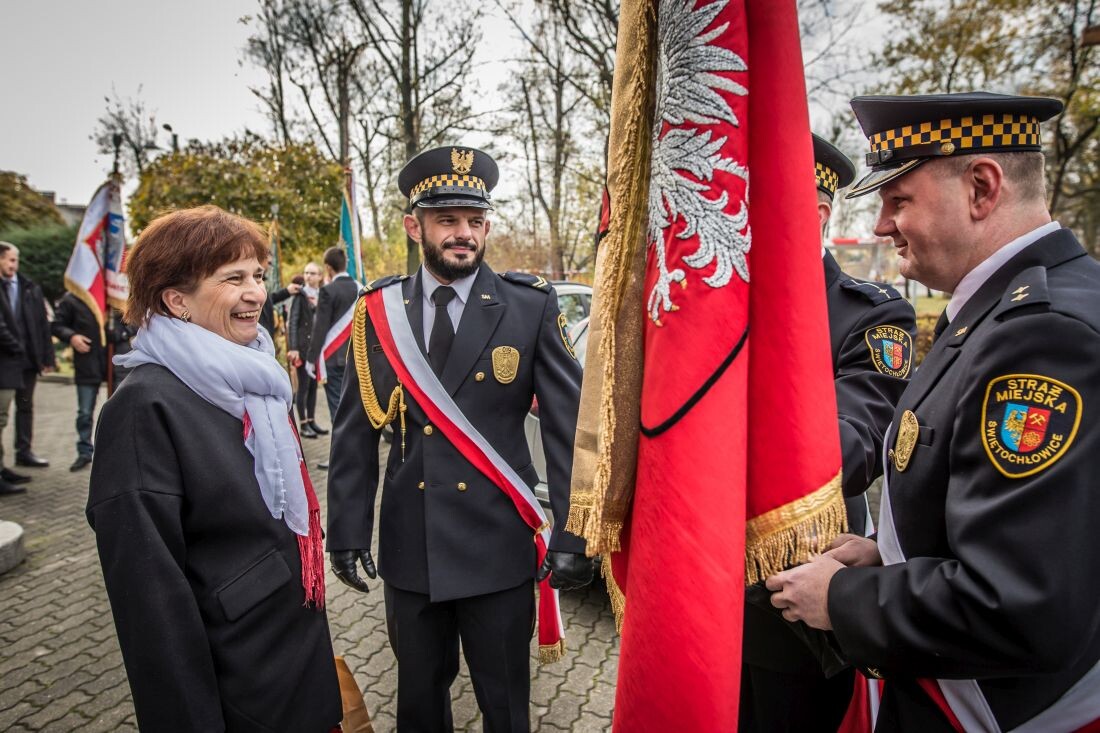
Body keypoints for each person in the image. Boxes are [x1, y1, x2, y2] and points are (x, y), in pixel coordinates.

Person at [766, 92, 1100, 731]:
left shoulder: (1044, 336)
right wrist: (890, 555)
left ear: (981, 187)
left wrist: (842, 598)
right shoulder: (996, 310)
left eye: (898, 201)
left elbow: (1017, 604)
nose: (882, 226)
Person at [326, 145, 594, 731]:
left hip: (497, 546)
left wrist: (574, 533)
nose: (463, 234)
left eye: (474, 221)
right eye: (447, 220)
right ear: (413, 225)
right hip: (411, 542)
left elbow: (568, 429)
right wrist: (345, 531)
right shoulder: (379, 312)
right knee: (419, 701)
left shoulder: (529, 307)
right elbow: (353, 431)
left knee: (504, 701)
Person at [86, 205, 341, 731]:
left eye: (258, 276)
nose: (256, 293)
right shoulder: (142, 409)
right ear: (176, 300)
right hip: (237, 678)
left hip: (288, 649)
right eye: (233, 279)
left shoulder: (253, 380)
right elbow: (151, 607)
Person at [740, 135, 917, 733]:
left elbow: (859, 441)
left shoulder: (868, 313)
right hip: (699, 592)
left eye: (753, 205)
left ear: (814, 214)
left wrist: (724, 447)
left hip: (793, 601)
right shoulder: (715, 303)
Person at [50, 292, 132, 471]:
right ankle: (84, 452)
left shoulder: (118, 291)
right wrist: (72, 336)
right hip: (88, 361)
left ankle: (118, 452)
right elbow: (57, 325)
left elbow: (137, 319)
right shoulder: (74, 296)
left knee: (120, 411)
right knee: (85, 412)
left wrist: (122, 332)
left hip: (117, 362)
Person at [0, 242, 56, 468]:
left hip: (27, 362)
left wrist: (47, 357)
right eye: (11, 260)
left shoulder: (29, 287)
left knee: (25, 406)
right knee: (1, 414)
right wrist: (16, 345)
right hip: (4, 362)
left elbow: (42, 325)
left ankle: (24, 452)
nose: (14, 265)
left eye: (16, 261)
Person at [307, 247, 358, 423]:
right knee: (356, 407)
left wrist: (311, 359)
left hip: (334, 359)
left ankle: (342, 448)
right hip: (358, 358)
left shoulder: (328, 291)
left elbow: (320, 328)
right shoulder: (361, 289)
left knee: (338, 410)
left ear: (328, 268)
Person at [287, 267, 326, 437]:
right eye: (306, 273)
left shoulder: (322, 294)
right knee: (303, 386)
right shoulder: (300, 296)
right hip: (303, 347)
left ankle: (311, 421)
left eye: (312, 273)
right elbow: (293, 322)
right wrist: (294, 347)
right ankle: (303, 425)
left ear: (320, 276)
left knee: (313, 386)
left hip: (317, 347)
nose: (308, 276)